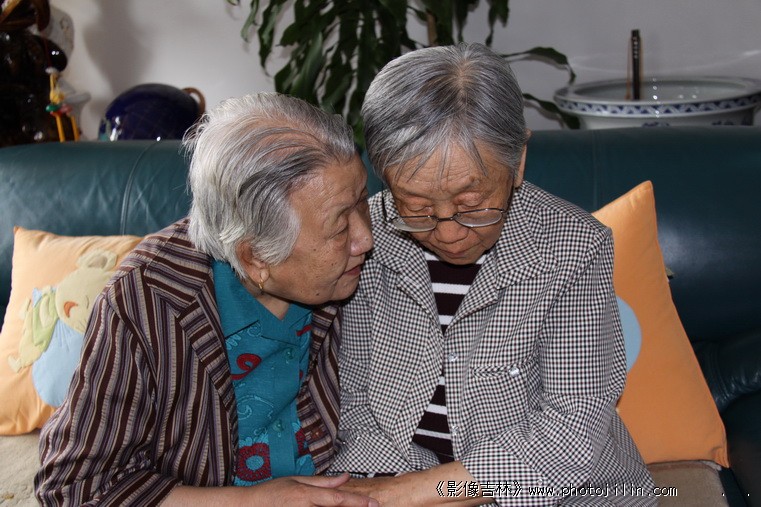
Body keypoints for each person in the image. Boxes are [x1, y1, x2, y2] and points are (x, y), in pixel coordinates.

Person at [329, 43, 656, 506]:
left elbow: (568, 434)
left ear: (517, 161)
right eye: (416, 206)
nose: (448, 233)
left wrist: (404, 495)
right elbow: (353, 404)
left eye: (472, 204)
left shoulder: (573, 249)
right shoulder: (367, 241)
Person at [35, 92, 377, 506]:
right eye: (339, 228)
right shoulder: (147, 300)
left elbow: (459, 481)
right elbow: (74, 486)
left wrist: (430, 489)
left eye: (362, 201)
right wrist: (248, 504)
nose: (365, 239)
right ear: (255, 258)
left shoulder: (374, 263)